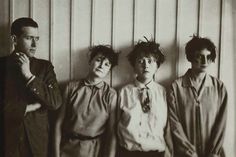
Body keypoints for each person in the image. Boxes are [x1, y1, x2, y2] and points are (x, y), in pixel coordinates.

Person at [0, 17, 62, 157]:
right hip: (7, 144)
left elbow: (55, 102)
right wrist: (28, 108)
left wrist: (29, 76)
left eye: (37, 39)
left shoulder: (44, 67)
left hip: (37, 143)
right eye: (29, 38)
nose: (34, 44)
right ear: (15, 39)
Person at [53, 45, 118, 157]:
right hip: (67, 148)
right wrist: (56, 155)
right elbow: (58, 123)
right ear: (90, 61)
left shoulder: (111, 95)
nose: (102, 65)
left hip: (95, 150)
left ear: (109, 70)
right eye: (98, 60)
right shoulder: (71, 87)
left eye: (107, 64)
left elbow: (112, 133)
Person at [167, 36, 228, 157]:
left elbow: (221, 123)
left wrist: (214, 152)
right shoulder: (176, 87)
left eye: (208, 57)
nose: (205, 61)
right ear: (190, 57)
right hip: (184, 154)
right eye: (200, 56)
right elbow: (174, 124)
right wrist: (189, 152)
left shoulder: (219, 87)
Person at [116, 38, 173, 157]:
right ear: (134, 65)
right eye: (141, 61)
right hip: (128, 152)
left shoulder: (162, 92)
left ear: (157, 66)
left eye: (150, 61)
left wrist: (171, 151)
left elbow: (167, 126)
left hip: (156, 152)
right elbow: (114, 126)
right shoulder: (123, 92)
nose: (146, 65)